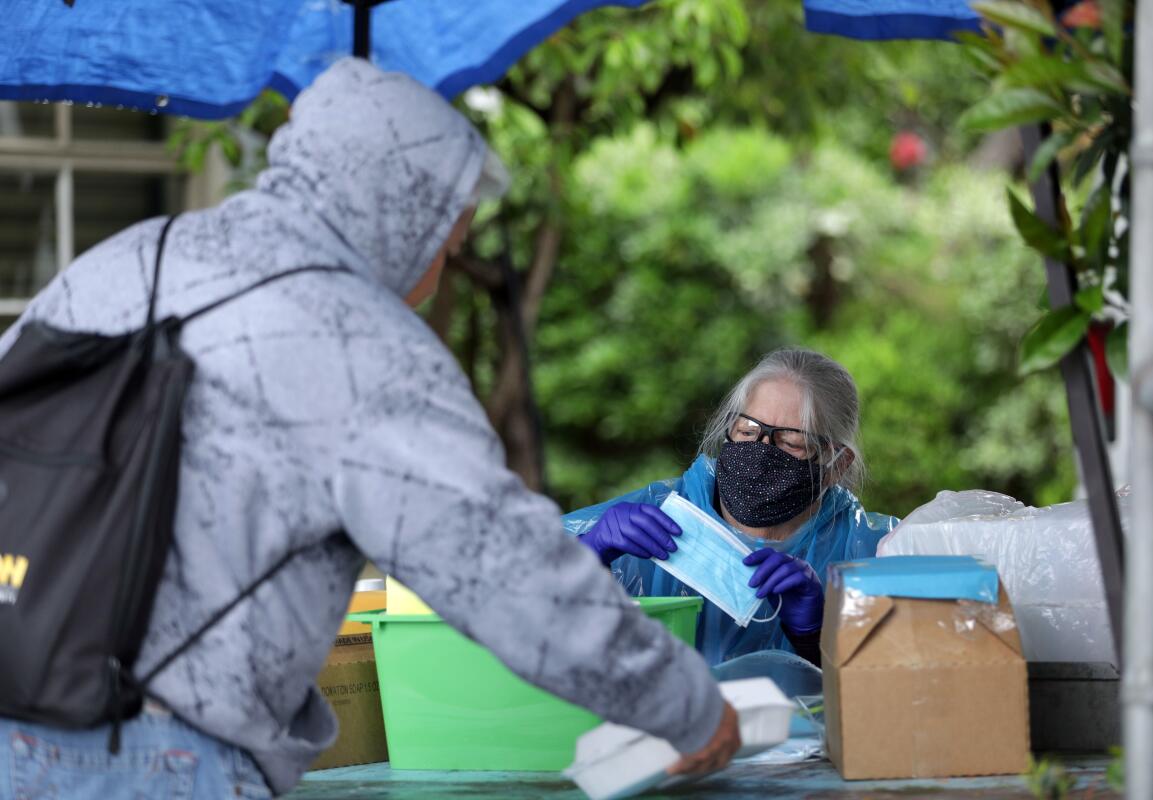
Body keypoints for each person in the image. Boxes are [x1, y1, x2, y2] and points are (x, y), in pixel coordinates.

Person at [0, 59, 738, 797]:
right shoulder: (362, 346)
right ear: (404, 210)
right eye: (447, 245)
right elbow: (505, 572)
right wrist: (687, 704)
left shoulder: (127, 259)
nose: (439, 273)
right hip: (160, 758)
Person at [564, 348, 899, 667]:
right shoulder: (656, 515)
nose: (760, 450)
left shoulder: (874, 554)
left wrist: (817, 637)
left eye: (791, 442)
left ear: (838, 465)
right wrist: (583, 556)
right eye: (747, 430)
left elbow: (898, 697)